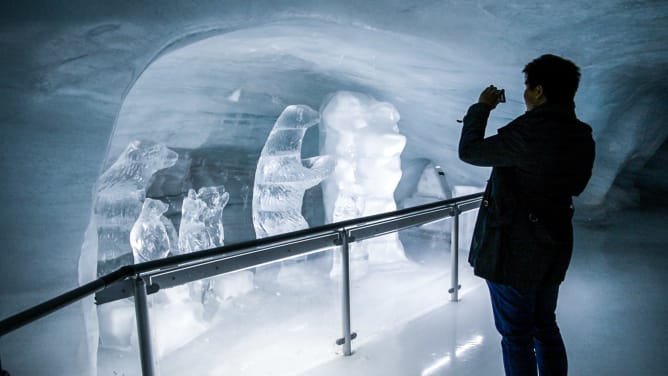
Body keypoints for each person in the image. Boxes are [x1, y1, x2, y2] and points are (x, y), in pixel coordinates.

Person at [458, 54, 595, 376]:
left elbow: (471, 151)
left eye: (527, 87)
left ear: (537, 90)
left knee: (516, 335)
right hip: (554, 242)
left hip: (515, 250)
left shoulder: (529, 133)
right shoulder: (581, 133)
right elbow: (578, 184)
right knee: (545, 326)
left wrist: (482, 108)